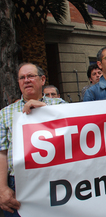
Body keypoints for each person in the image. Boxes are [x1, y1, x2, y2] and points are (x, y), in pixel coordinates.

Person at [0, 63, 66, 216]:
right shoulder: (4, 114)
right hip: (18, 184)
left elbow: (73, 132)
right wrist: (2, 188)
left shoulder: (59, 105)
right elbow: (2, 153)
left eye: (31, 76)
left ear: (42, 80)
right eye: (22, 78)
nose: (26, 80)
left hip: (56, 180)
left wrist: (45, 109)